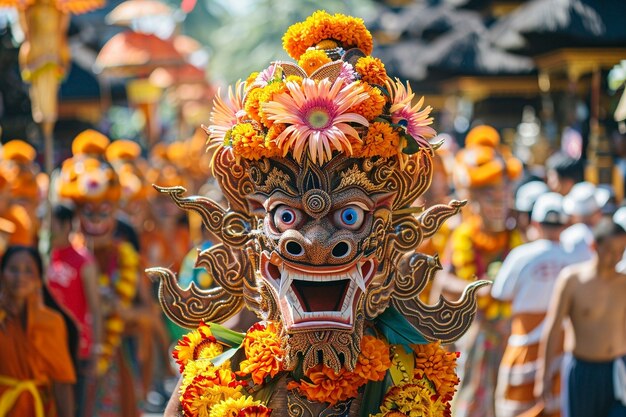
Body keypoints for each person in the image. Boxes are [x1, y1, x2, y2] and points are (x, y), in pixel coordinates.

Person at [435, 124, 524, 417]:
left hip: (510, 333)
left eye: (504, 197)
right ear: (473, 200)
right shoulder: (460, 233)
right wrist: (475, 288)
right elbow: (441, 278)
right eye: (492, 199)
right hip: (475, 334)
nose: (500, 206)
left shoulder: (517, 235)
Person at [535, 216, 626, 417]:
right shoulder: (572, 280)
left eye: (621, 252)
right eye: (610, 251)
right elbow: (553, 327)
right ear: (594, 246)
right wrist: (544, 375)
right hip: (582, 370)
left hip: (617, 370)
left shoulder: (624, 283)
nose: (616, 258)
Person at [492, 193, 573, 417]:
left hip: (524, 348)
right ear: (565, 224)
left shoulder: (521, 255)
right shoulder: (576, 256)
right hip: (561, 348)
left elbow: (499, 292)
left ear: (535, 223)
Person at [0, 246, 76, 417]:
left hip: (40, 409)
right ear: (2, 274)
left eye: (28, 271)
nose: (20, 277)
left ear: (39, 280)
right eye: (13, 269)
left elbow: (62, 382)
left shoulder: (52, 322)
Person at [46, 204, 102, 417]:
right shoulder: (42, 256)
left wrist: (96, 350)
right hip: (46, 345)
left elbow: (95, 309)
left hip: (76, 347)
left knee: (73, 407)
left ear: (66, 225)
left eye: (51, 226)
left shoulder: (83, 260)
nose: (46, 231)